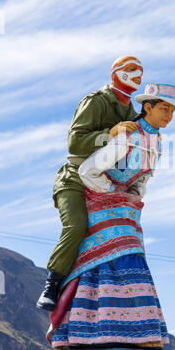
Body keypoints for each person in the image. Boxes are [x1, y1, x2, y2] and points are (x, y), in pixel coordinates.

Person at [46, 83, 175, 350]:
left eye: (172, 110)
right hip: (102, 201)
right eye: (164, 108)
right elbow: (88, 171)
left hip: (126, 206)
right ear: (148, 107)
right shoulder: (128, 137)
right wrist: (112, 193)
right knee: (118, 254)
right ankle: (90, 332)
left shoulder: (156, 141)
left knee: (131, 253)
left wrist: (133, 195)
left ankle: (136, 332)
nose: (169, 115)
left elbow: (143, 177)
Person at [37, 55, 144, 311]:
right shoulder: (95, 101)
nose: (137, 75)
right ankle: (52, 284)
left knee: (120, 234)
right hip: (75, 177)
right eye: (131, 69)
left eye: (140, 71)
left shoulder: (133, 113)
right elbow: (74, 143)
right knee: (76, 226)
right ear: (116, 72)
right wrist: (109, 134)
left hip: (108, 183)